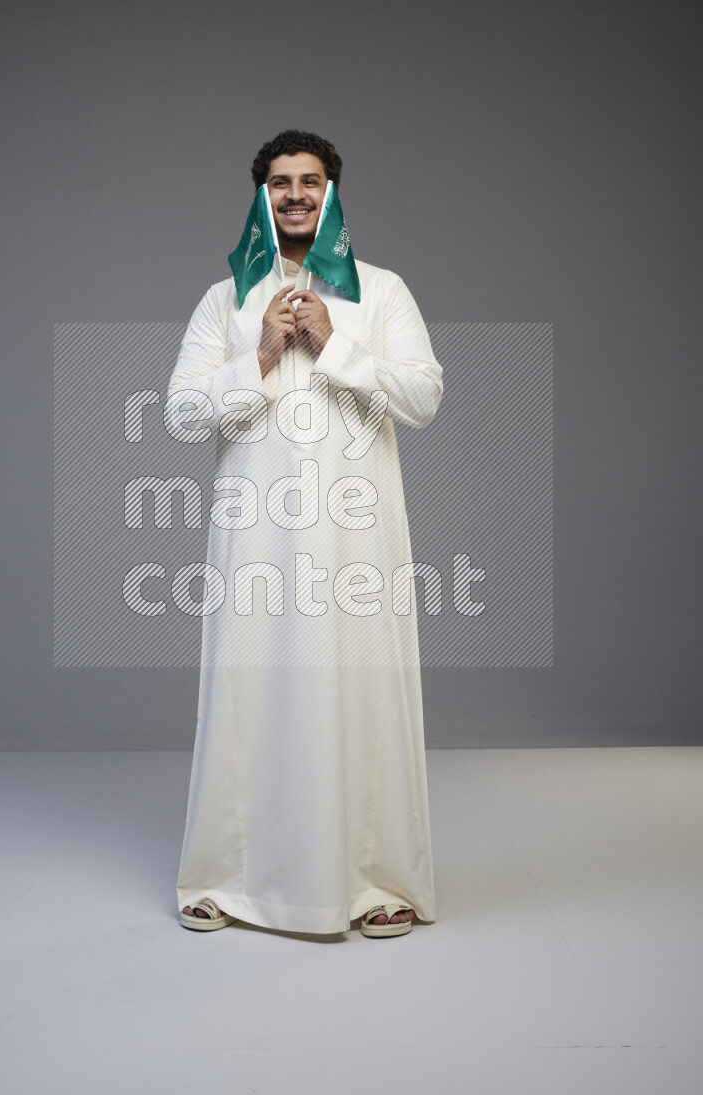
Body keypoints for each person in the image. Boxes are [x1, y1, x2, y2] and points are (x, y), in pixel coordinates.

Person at [166, 130, 444, 938]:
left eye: (311, 181)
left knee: (364, 685)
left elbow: (424, 396)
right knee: (244, 688)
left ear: (333, 194)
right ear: (261, 196)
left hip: (357, 542)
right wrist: (259, 353)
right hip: (255, 535)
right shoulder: (227, 298)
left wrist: (336, 342)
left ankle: (376, 881)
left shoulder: (381, 292)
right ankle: (224, 876)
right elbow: (183, 413)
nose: (296, 194)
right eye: (281, 182)